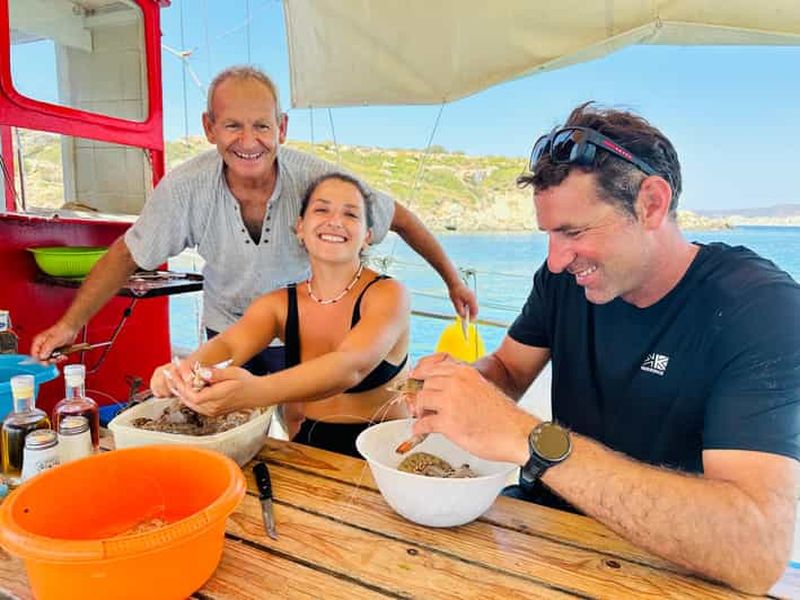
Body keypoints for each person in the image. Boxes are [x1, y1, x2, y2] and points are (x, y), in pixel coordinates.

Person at [407, 103, 800, 594]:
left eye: (573, 232)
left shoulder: (758, 307)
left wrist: (528, 439)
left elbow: (756, 550)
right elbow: (509, 367)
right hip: (545, 531)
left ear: (652, 204)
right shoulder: (561, 284)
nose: (555, 261)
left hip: (674, 565)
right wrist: (461, 388)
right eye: (550, 234)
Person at [31, 66, 477, 373]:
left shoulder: (319, 181)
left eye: (262, 127)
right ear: (209, 128)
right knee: (228, 423)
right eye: (232, 127)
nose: (249, 141)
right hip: (228, 330)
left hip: (307, 329)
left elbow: (398, 217)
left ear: (281, 128)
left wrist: (453, 281)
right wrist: (69, 324)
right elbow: (127, 254)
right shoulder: (186, 188)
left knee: (303, 425)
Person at [151, 173, 409, 457]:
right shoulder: (279, 304)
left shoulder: (388, 294)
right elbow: (230, 345)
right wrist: (183, 370)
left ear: (367, 237)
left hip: (384, 451)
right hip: (311, 447)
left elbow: (350, 367)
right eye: (321, 209)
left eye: (351, 214)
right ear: (300, 227)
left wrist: (253, 392)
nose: (335, 221)